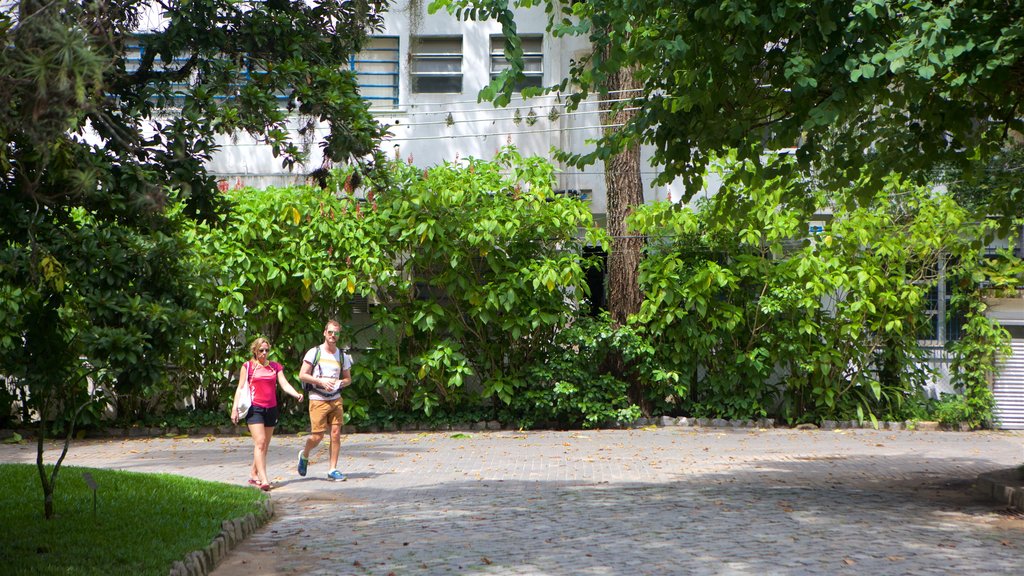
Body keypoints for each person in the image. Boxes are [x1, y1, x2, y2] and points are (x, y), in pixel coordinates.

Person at [231, 337, 303, 491]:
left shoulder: (275, 367)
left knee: (264, 445)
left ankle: (254, 473)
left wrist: (296, 394)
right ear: (255, 351)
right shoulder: (248, 366)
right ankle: (264, 479)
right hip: (254, 409)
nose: (264, 353)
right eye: (261, 350)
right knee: (261, 442)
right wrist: (234, 408)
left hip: (271, 409)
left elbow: (284, 384)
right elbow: (240, 387)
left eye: (266, 350)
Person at [297, 319, 353, 481]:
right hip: (317, 399)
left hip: (335, 399)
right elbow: (302, 375)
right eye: (330, 332)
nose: (333, 336)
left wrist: (341, 382)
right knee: (317, 436)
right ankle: (305, 454)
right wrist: (321, 382)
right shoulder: (314, 352)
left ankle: (332, 469)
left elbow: (348, 378)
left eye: (336, 333)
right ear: (324, 333)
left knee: (335, 434)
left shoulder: (342, 356)